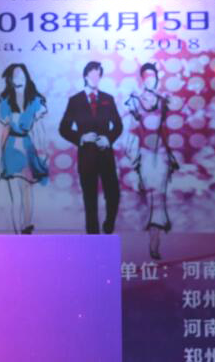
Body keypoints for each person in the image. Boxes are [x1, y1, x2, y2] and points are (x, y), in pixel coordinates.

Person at [59, 61, 123, 234]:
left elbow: (118, 126)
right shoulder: (75, 101)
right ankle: (93, 237)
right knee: (90, 200)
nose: (95, 78)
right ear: (85, 76)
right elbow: (63, 129)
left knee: (113, 194)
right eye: (92, 74)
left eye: (98, 75)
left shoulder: (108, 99)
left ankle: (109, 225)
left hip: (106, 155)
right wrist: (81, 137)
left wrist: (108, 139)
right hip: (87, 157)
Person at [125, 62, 179, 260]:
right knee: (150, 196)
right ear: (142, 79)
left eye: (154, 76)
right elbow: (131, 128)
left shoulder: (163, 100)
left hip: (161, 153)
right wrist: (133, 158)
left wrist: (170, 153)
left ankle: (155, 241)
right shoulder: (133, 101)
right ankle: (152, 238)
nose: (151, 80)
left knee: (159, 195)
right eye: (147, 76)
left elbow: (165, 127)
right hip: (145, 153)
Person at [0, 63, 48, 234]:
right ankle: (17, 230)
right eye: (14, 76)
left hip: (27, 146)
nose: (18, 80)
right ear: (10, 80)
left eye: (21, 76)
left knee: (26, 188)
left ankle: (26, 226)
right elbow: (4, 129)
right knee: (15, 191)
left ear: (26, 78)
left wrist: (43, 150)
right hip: (11, 148)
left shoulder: (35, 101)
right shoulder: (4, 102)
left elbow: (40, 129)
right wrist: (1, 155)